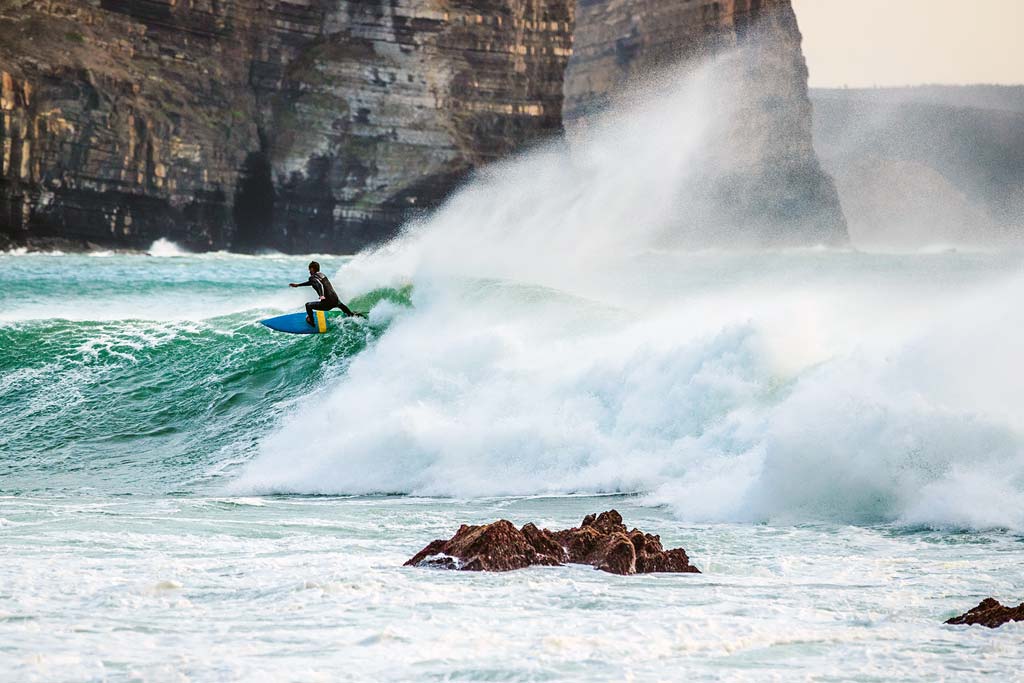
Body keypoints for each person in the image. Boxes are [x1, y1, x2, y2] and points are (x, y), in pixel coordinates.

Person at [289, 261, 356, 325]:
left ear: (312, 269)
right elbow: (313, 282)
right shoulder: (322, 275)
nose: (309, 271)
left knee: (308, 305)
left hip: (327, 303)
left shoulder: (312, 277)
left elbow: (319, 284)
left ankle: (311, 321)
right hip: (336, 300)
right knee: (343, 308)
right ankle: (352, 315)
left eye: (309, 269)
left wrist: (321, 295)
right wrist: (298, 285)